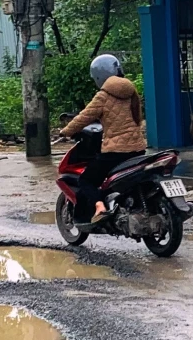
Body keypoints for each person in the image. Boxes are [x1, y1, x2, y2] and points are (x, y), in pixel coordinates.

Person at [56, 54, 145, 222]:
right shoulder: (132, 91)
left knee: (87, 180)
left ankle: (99, 206)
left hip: (116, 151)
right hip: (138, 149)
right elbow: (137, 118)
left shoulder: (103, 95)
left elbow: (84, 117)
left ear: (99, 75)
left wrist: (65, 132)